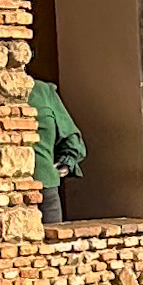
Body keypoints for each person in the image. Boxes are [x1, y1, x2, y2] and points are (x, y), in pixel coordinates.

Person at [31, 76, 87, 227]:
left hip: (46, 190)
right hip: (3, 196)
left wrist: (66, 163)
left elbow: (71, 136)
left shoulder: (41, 91)